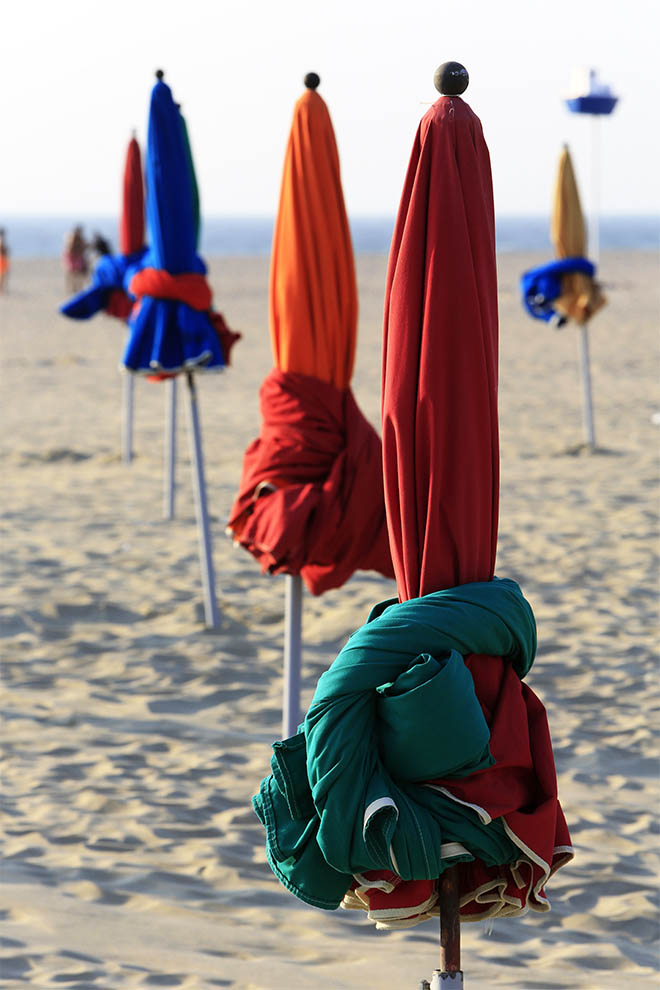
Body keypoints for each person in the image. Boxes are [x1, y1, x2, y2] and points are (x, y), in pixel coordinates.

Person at [63, 225, 89, 293]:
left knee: (73, 275)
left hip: (74, 258)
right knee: (76, 274)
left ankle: (75, 288)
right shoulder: (74, 238)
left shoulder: (72, 237)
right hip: (75, 258)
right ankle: (76, 288)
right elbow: (73, 248)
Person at [0, 228, 10, 293]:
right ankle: (1, 289)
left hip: (3, 259)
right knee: (2, 275)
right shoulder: (1, 240)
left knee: (3, 275)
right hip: (2, 259)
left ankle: (2, 289)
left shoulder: (2, 241)